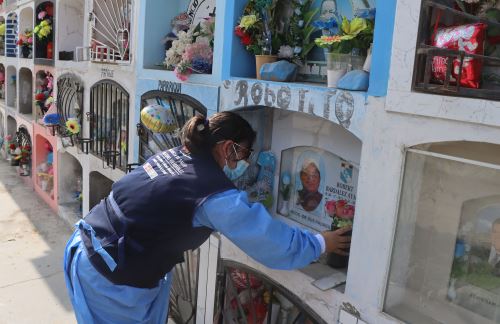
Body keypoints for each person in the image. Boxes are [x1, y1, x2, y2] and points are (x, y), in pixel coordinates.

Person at [63, 111, 351, 323]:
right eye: (243, 155)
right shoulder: (214, 195)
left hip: (87, 246)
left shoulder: (175, 155)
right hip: (110, 274)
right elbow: (271, 243)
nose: (241, 164)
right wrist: (320, 242)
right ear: (228, 148)